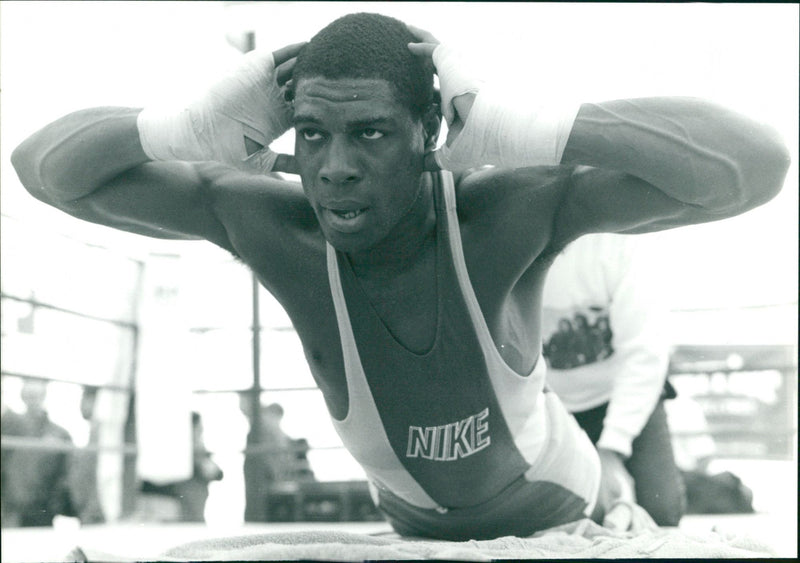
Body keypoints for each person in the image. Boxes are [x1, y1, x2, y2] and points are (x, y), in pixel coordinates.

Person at [10, 12, 789, 540]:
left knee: (650, 506)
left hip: (562, 495)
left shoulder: (497, 215)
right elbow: (43, 171)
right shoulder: (276, 228)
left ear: (431, 134)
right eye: (312, 134)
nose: (335, 169)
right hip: (416, 524)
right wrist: (174, 128)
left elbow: (754, 168)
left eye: (372, 133)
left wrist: (536, 127)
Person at [541, 232, 684, 530]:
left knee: (661, 511)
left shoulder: (627, 243)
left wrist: (612, 450)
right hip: (547, 406)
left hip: (618, 397)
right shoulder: (515, 236)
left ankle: (680, 477)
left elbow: (643, 355)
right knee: (553, 516)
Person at [0, 379, 73, 527]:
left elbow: (66, 473)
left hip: (44, 510)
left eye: (36, 395)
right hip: (12, 508)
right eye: (28, 395)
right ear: (22, 397)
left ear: (44, 396)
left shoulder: (59, 434)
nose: (32, 400)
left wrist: (55, 503)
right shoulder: (9, 425)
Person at [65, 385, 106, 525]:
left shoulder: (100, 430)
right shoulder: (93, 431)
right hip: (89, 511)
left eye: (85, 398)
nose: (81, 404)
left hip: (94, 512)